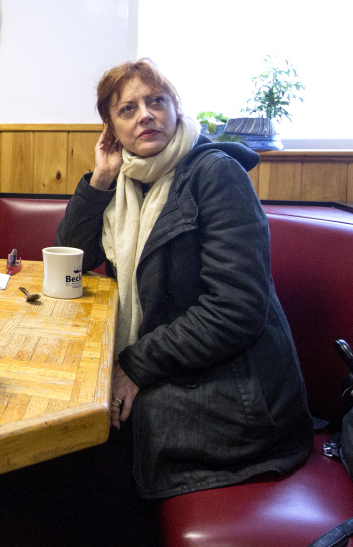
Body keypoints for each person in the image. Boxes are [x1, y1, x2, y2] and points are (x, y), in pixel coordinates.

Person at [55, 59, 312, 520]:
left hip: (240, 391)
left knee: (99, 429)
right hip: (180, 367)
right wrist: (100, 179)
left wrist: (132, 366)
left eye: (157, 101)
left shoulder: (215, 175)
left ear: (176, 109)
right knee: (74, 415)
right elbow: (69, 257)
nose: (145, 116)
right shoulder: (125, 180)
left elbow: (235, 309)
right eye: (127, 109)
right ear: (111, 129)